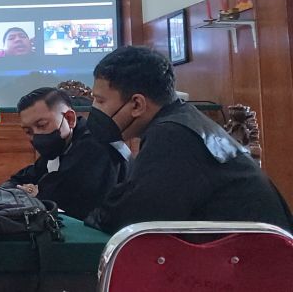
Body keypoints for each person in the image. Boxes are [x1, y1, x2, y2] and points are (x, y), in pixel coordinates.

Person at [84, 46, 293, 233]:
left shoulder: (173, 136)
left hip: (254, 260)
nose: (94, 108)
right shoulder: (185, 122)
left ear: (137, 104)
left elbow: (134, 218)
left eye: (100, 101)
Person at [0, 87, 127, 220]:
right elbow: (22, 179)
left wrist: (36, 194)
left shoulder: (97, 146)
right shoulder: (61, 144)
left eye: (42, 125)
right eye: (28, 131)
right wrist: (27, 192)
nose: (36, 136)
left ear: (69, 119)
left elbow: (62, 199)